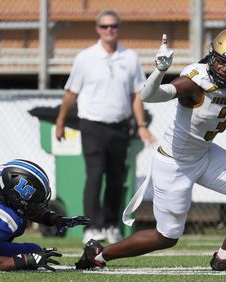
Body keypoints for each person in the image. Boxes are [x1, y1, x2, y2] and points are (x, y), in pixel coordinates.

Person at [75, 27, 226, 272]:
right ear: (212, 56)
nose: (223, 69)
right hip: (175, 163)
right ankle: (99, 254)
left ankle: (225, 256)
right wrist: (160, 71)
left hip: (204, 153)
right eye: (221, 62)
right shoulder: (194, 83)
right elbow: (150, 95)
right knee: (166, 237)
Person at [55, 9, 155, 245]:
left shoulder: (130, 57)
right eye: (104, 26)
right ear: (97, 29)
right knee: (95, 175)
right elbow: (71, 93)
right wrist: (60, 121)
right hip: (92, 125)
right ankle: (92, 226)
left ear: (118, 28)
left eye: (114, 26)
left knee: (116, 178)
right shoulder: (85, 57)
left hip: (120, 126)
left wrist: (141, 125)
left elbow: (136, 95)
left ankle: (111, 225)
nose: (109, 30)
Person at [0, 159, 89, 271]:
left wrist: (54, 219)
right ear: (16, 198)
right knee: (34, 251)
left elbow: (25, 208)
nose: (38, 206)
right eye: (33, 202)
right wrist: (27, 260)